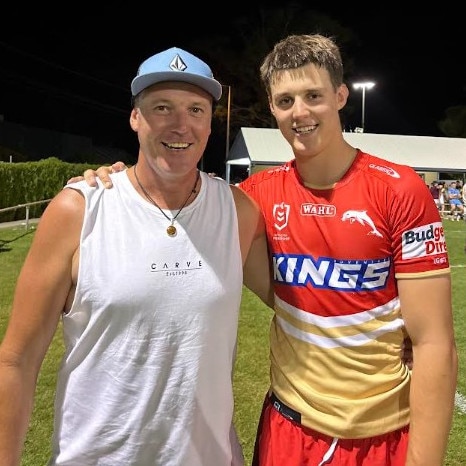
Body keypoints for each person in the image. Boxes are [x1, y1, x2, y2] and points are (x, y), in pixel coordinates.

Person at [72, 34, 454, 466]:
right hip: (289, 430)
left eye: (314, 95)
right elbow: (170, 210)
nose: (301, 112)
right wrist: (115, 180)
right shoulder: (255, 197)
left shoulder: (399, 189)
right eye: (286, 100)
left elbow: (435, 341)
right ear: (272, 108)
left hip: (381, 435)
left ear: (342, 95)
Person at [0, 46, 273, 466]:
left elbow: (298, 298)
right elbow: (17, 360)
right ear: (135, 118)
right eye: (162, 107)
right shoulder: (81, 209)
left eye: (196, 110)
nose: (181, 125)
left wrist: (400, 328)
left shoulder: (236, 211)